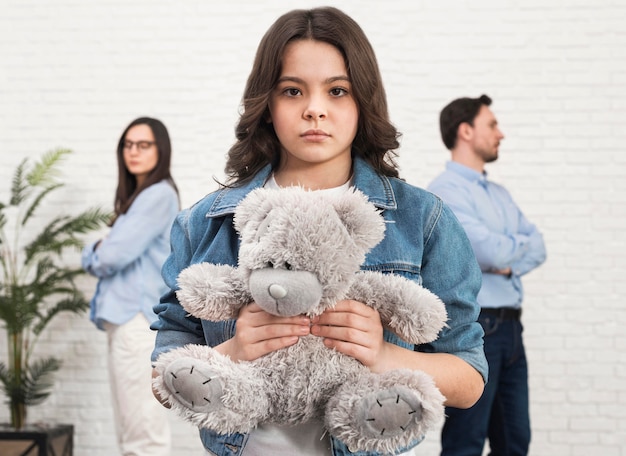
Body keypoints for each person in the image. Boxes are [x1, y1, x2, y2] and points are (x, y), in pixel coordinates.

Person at [151, 7, 488, 456]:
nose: (314, 109)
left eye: (337, 91)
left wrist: (384, 355)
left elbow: (469, 380)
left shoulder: (421, 219)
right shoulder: (204, 222)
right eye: (292, 91)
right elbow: (163, 377)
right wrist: (232, 350)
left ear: (361, 100)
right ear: (267, 105)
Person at [427, 95, 547, 456]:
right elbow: (487, 252)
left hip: (512, 331)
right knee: (466, 442)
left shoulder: (499, 193)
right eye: (492, 125)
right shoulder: (445, 192)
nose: (501, 134)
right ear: (466, 131)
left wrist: (503, 258)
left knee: (515, 441)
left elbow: (538, 245)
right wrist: (509, 251)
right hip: (477, 330)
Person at [83, 117, 180, 456]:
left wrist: (93, 249)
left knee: (143, 433)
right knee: (131, 429)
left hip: (138, 323)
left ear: (160, 150)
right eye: (128, 144)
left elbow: (111, 256)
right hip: (128, 322)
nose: (133, 152)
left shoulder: (156, 195)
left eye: (144, 144)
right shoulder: (138, 198)